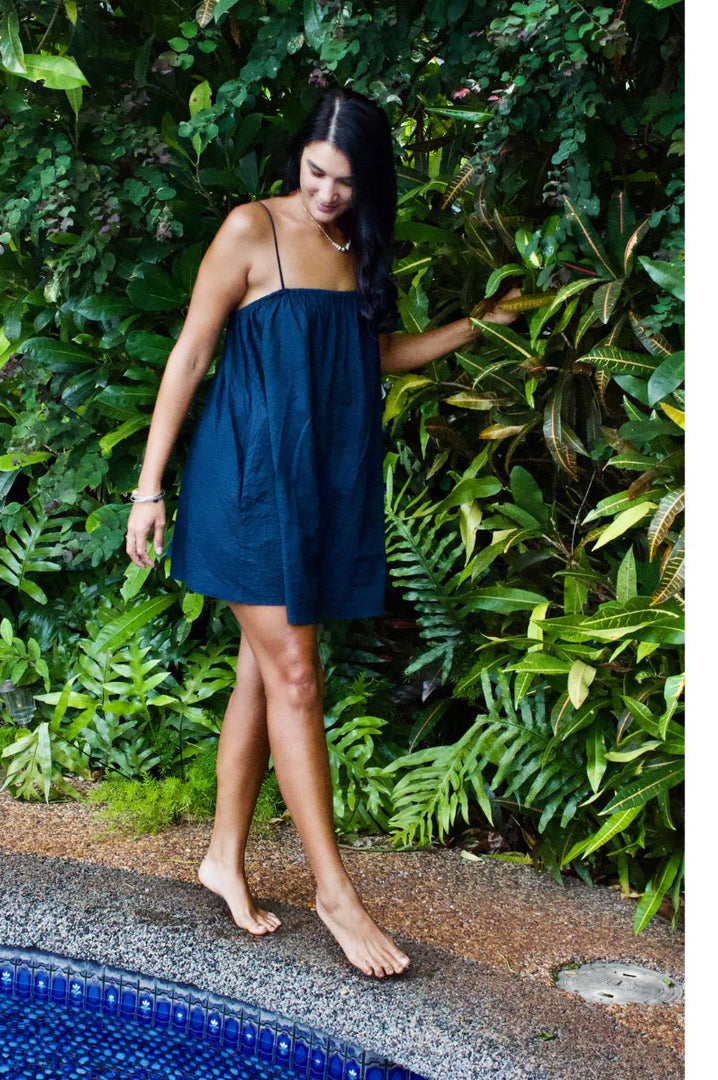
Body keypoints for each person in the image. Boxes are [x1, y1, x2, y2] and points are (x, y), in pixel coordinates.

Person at [126, 88, 519, 978]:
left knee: (261, 672)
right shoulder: (251, 229)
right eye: (314, 172)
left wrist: (478, 325)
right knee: (297, 676)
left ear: (367, 180)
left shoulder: (357, 245)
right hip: (245, 484)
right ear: (297, 159)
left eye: (344, 180)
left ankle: (222, 856)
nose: (326, 193)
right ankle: (335, 893)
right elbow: (191, 352)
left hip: (315, 489)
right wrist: (147, 490)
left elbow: (365, 355)